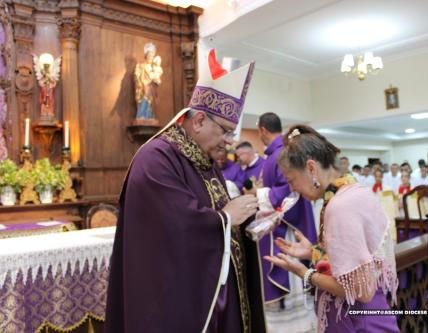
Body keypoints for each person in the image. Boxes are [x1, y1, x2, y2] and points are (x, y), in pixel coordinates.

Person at [105, 50, 267, 333]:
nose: (229, 142)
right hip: (170, 303)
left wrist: (247, 221)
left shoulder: (205, 159)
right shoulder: (155, 158)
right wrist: (225, 219)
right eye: (226, 131)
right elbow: (175, 226)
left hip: (217, 298)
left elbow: (218, 217)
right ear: (200, 120)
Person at [265, 125, 399, 333]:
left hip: (356, 322)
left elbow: (360, 290)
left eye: (291, 180)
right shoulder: (353, 189)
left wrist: (304, 273)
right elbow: (357, 256)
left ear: (311, 168)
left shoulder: (340, 205)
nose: (291, 189)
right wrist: (312, 251)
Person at [252, 112, 317, 332]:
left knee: (289, 284)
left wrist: (260, 195)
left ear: (262, 130)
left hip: (286, 232)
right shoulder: (276, 153)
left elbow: (290, 192)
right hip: (280, 229)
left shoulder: (281, 154)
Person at [134, 43, 162, 121]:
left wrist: (156, 79)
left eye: (152, 56)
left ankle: (149, 116)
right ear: (146, 56)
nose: (151, 57)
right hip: (144, 86)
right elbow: (137, 74)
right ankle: (141, 115)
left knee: (150, 101)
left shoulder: (154, 67)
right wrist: (139, 81)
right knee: (144, 99)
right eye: (150, 55)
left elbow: (156, 76)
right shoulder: (141, 65)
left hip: (151, 87)